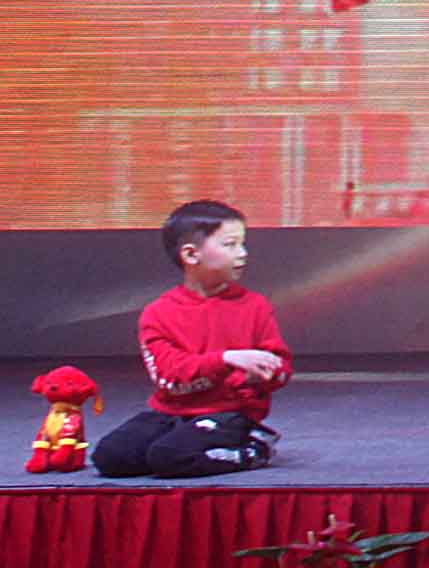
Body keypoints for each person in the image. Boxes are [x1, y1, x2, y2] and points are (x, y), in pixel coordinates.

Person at [93, 200, 287, 478]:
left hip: (229, 412)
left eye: (242, 244)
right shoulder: (158, 313)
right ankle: (183, 445)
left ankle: (254, 448)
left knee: (169, 456)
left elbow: (279, 366)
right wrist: (226, 359)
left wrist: (265, 376)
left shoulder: (255, 306)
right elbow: (169, 376)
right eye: (230, 244)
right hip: (171, 411)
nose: (242, 253)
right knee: (110, 456)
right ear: (191, 254)